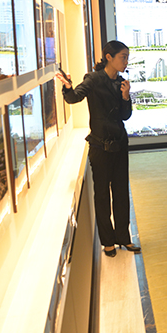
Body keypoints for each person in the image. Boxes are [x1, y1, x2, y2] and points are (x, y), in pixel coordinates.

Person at [58, 40, 140, 257]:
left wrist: (126, 97)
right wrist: (67, 86)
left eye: (127, 57)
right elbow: (74, 97)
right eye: (123, 57)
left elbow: (125, 116)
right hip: (100, 146)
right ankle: (108, 241)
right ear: (109, 57)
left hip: (119, 144)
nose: (126, 61)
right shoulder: (93, 79)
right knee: (102, 194)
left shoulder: (122, 82)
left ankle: (123, 237)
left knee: (121, 192)